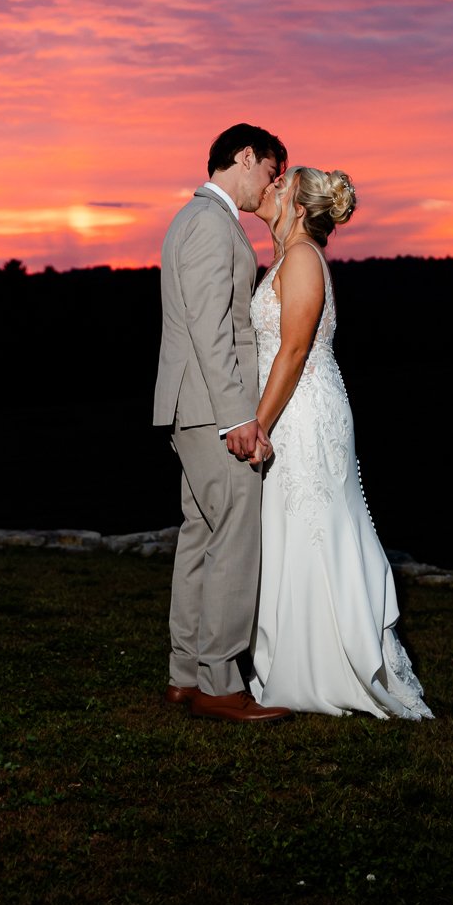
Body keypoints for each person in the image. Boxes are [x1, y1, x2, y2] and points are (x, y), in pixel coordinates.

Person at [248, 166, 432, 719]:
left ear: (298, 209)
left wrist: (258, 423)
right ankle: (292, 658)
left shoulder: (303, 258)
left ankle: (327, 666)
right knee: (291, 527)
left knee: (313, 527)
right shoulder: (290, 256)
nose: (270, 188)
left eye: (281, 186)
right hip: (291, 404)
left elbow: (295, 350)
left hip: (302, 412)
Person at [153, 123, 293, 723]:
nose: (272, 184)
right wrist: (238, 416)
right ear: (244, 156)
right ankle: (218, 682)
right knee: (235, 536)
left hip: (191, 407)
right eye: (270, 170)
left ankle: (184, 675)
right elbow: (214, 330)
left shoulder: (190, 219)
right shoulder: (212, 225)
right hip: (214, 411)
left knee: (199, 538)